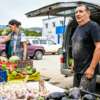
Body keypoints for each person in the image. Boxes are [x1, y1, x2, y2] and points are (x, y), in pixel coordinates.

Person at [71, 4, 100, 93]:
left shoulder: (93, 26)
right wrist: (73, 62)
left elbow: (98, 47)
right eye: (76, 12)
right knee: (74, 96)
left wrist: (92, 68)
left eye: (81, 11)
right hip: (77, 70)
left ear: (88, 13)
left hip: (87, 71)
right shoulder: (78, 28)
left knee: (85, 97)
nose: (78, 14)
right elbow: (77, 46)